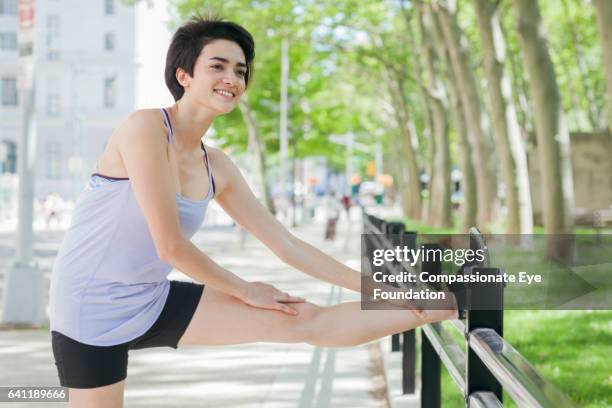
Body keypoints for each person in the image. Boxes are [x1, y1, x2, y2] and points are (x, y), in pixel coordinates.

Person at [48, 16, 459, 407]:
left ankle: (455, 301)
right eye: (218, 66)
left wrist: (379, 289)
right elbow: (169, 245)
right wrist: (245, 289)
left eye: (241, 70)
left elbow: (287, 245)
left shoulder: (218, 166)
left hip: (148, 297)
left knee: (301, 320)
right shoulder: (145, 129)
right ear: (184, 75)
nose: (233, 78)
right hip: (89, 306)